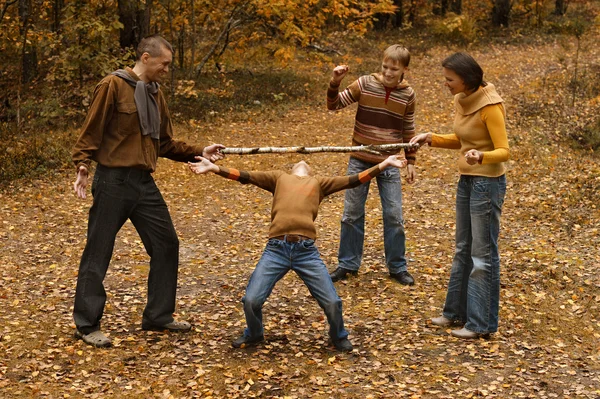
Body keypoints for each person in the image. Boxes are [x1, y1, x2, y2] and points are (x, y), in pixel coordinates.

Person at [71, 34, 224, 347]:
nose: (167, 69)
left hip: (143, 183)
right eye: (164, 63)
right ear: (145, 57)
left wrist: (200, 151)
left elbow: (165, 143)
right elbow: (90, 131)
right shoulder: (112, 85)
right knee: (98, 251)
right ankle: (87, 324)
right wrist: (83, 167)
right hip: (113, 181)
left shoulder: (155, 93)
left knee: (166, 244)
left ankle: (158, 316)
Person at [188, 154, 408, 351]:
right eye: (298, 163)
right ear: (291, 168)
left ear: (311, 171)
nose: (302, 162)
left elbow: (355, 180)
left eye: (306, 163)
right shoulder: (278, 178)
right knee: (251, 300)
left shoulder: (319, 183)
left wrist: (384, 164)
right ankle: (254, 334)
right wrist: (214, 168)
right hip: (276, 250)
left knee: (332, 302)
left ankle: (338, 335)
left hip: (306, 252)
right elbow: (245, 176)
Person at [410, 52, 509, 339]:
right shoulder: (461, 99)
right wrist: (431, 138)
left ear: (465, 79)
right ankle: (455, 313)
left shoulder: (491, 106)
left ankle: (481, 324)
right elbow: (463, 140)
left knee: (483, 254)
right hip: (467, 181)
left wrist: (482, 156)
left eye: (449, 79)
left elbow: (504, 150)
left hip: (487, 183)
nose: (445, 83)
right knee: (462, 248)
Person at [326, 44, 418, 285]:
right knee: (352, 214)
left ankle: (397, 267)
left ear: (404, 69)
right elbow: (334, 105)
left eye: (394, 69)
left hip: (390, 162)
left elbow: (408, 129)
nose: (388, 72)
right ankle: (348, 264)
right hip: (360, 159)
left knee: (394, 215)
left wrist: (411, 160)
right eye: (385, 67)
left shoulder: (408, 94)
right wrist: (335, 82)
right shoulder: (365, 83)